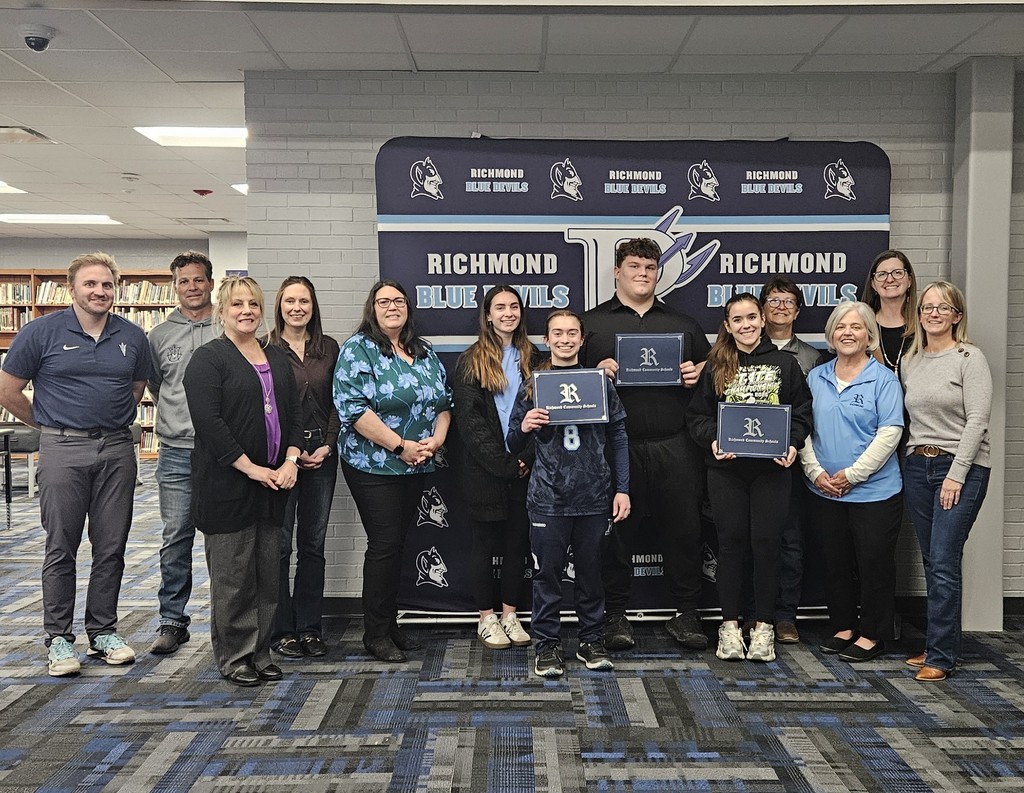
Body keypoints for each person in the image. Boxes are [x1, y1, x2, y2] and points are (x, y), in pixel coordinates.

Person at [0, 252, 153, 676]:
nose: (99, 292)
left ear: (115, 289)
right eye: (91, 284)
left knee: (111, 546)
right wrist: (49, 424)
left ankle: (103, 631)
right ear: (73, 289)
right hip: (62, 451)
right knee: (61, 545)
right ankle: (59, 640)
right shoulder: (40, 332)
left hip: (118, 450)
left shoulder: (133, 336)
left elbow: (135, 388)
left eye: (106, 285)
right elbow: (8, 390)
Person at [581, 237, 711, 652]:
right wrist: (593, 370)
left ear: (658, 273)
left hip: (675, 444)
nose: (642, 274)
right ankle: (615, 615)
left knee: (684, 530)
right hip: (615, 448)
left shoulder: (683, 324)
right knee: (616, 534)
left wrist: (699, 371)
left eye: (650, 268)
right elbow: (563, 376)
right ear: (617, 271)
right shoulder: (591, 324)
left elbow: (714, 367)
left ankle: (686, 613)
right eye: (634, 266)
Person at [183, 276, 303, 687]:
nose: (247, 311)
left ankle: (261, 650)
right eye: (237, 304)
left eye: (253, 303)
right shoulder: (208, 359)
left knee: (268, 574)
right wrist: (251, 468)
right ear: (222, 310)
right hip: (228, 485)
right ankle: (235, 656)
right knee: (233, 578)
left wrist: (290, 460)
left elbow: (294, 412)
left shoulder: (276, 356)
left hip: (274, 482)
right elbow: (210, 424)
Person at [686, 293, 812, 663]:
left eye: (751, 317)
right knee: (730, 544)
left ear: (762, 320)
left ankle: (764, 628)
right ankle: (729, 627)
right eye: (737, 319)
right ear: (727, 326)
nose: (746, 325)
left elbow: (803, 413)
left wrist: (791, 443)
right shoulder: (714, 366)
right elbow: (697, 417)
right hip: (727, 472)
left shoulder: (785, 365)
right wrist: (713, 440)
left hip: (772, 471)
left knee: (767, 544)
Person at [333, 280, 453, 663]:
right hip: (374, 464)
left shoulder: (423, 349)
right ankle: (376, 633)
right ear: (372, 307)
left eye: (399, 301)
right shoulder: (358, 349)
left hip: (418, 461)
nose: (392, 307)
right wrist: (400, 446)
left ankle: (390, 624)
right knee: (384, 545)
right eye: (383, 301)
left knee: (399, 544)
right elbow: (352, 410)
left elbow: (444, 402)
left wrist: (435, 440)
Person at [507, 310, 630, 678]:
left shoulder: (600, 382)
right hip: (549, 497)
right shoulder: (534, 383)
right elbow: (512, 441)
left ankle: (591, 640)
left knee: (592, 573)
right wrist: (526, 426)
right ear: (547, 340)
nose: (565, 339)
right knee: (547, 575)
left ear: (581, 339)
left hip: (594, 495)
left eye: (572, 333)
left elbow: (619, 437)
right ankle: (547, 645)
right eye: (557, 333)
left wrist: (622, 488)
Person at [800, 302, 904, 662]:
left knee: (874, 564)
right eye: (841, 326)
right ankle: (843, 626)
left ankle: (874, 633)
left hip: (874, 493)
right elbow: (802, 430)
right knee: (835, 562)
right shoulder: (816, 377)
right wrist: (815, 472)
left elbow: (890, 433)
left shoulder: (884, 380)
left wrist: (852, 475)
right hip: (824, 490)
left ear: (869, 335)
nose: (847, 333)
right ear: (831, 335)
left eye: (856, 327)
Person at [901, 281, 991, 682]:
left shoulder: (970, 358)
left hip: (961, 468)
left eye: (943, 308)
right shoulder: (911, 360)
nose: (933, 313)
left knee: (942, 562)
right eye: (927, 307)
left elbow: (977, 421)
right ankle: (941, 644)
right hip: (918, 466)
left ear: (957, 315)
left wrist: (956, 476)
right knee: (933, 560)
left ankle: (941, 655)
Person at [454, 285, 540, 650]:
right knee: (484, 544)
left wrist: (524, 459)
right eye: (500, 307)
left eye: (514, 306)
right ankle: (486, 617)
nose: (508, 313)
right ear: (487, 315)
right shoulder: (470, 360)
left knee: (517, 543)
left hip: (525, 468)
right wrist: (504, 464)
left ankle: (509, 613)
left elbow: (547, 416)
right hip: (485, 470)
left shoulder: (534, 357)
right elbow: (470, 425)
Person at [268, 276, 341, 659]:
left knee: (312, 545)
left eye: (305, 301)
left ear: (313, 307)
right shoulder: (265, 349)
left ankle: (310, 627)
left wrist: (328, 445)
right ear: (279, 305)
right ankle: (282, 631)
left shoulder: (328, 348)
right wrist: (289, 455)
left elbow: (338, 402)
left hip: (323, 459)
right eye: (290, 300)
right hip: (280, 461)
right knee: (279, 546)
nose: (297, 307)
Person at [147, 251, 216, 655]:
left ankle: (229, 621)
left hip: (222, 453)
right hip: (175, 452)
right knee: (176, 537)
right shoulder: (158, 336)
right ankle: (173, 621)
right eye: (184, 281)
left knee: (225, 539)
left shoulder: (227, 328)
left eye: (198, 280)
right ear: (175, 286)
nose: (192, 287)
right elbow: (158, 387)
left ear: (211, 282)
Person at [756, 277, 825, 645]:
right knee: (754, 540)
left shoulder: (814, 359)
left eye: (788, 301)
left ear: (798, 310)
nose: (781, 307)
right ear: (762, 310)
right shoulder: (744, 349)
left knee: (791, 541)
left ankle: (785, 616)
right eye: (773, 300)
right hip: (750, 460)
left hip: (794, 461)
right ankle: (755, 614)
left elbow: (812, 412)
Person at [860, 250, 918, 376]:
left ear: (909, 280)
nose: (890, 279)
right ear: (873, 284)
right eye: (882, 274)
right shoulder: (862, 326)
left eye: (897, 273)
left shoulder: (924, 325)